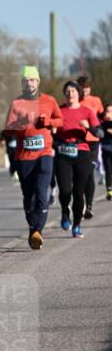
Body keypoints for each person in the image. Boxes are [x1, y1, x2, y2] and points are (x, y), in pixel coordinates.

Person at [3, 66, 62, 250]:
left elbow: (60, 120)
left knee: (41, 191)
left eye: (33, 80)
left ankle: (38, 231)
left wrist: (49, 122)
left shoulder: (49, 101)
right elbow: (8, 130)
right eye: (26, 80)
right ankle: (32, 229)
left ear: (38, 81)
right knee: (28, 197)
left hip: (44, 153)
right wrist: (20, 123)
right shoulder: (16, 103)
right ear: (22, 83)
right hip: (24, 156)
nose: (30, 83)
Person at [54, 80, 102, 238]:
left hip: (82, 152)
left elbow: (100, 134)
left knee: (78, 192)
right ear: (64, 94)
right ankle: (64, 211)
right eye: (67, 91)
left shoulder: (87, 111)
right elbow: (49, 131)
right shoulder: (58, 111)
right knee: (65, 190)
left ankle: (76, 225)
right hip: (63, 153)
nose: (70, 93)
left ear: (78, 93)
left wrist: (88, 127)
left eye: (73, 91)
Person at [76, 76, 104, 219]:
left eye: (87, 90)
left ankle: (89, 206)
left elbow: (103, 117)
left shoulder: (96, 101)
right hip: (79, 142)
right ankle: (79, 205)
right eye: (82, 90)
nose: (84, 93)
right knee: (79, 175)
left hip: (93, 141)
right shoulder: (75, 101)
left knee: (89, 174)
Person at [100, 103, 112, 201]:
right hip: (106, 148)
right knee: (108, 170)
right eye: (107, 111)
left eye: (111, 111)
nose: (108, 113)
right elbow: (99, 134)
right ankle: (109, 190)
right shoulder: (102, 124)